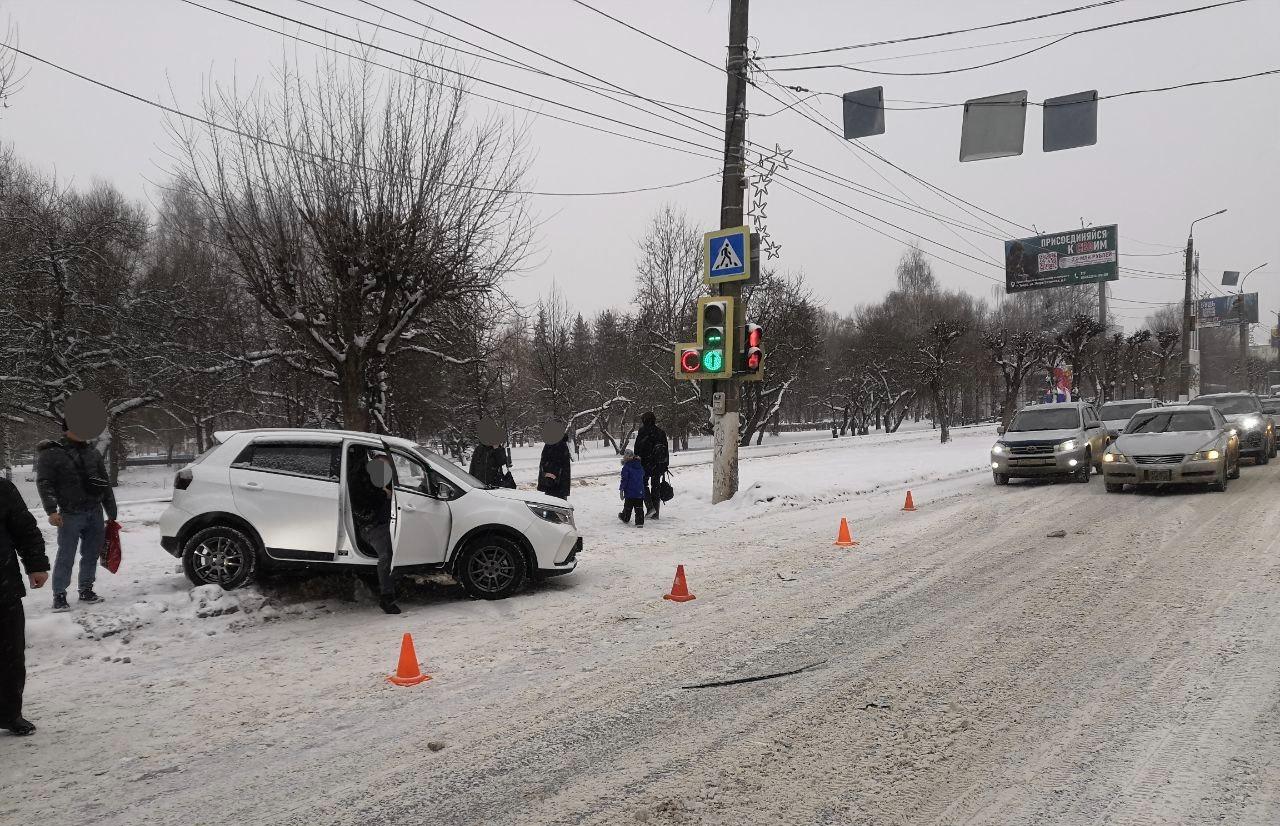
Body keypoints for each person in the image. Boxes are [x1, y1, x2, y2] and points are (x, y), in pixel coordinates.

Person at [35, 419, 117, 612]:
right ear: (67, 430)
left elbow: (103, 483)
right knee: (66, 555)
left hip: (94, 511)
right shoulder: (51, 454)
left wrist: (111, 512)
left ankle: (86, 589)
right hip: (70, 514)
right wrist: (51, 511)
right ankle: (59, 595)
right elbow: (44, 483)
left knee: (91, 553)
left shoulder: (92, 453)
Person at [1, 476, 50, 736]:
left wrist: (36, 564)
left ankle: (9, 714)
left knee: (10, 655)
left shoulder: (2, 488)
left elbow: (25, 528)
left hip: (3, 587)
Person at [349, 452, 399, 615]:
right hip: (373, 527)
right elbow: (364, 513)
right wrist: (382, 496)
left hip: (392, 524)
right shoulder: (364, 487)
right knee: (387, 553)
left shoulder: (392, 484)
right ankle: (387, 597)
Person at [633, 411, 670, 520]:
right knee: (656, 487)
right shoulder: (661, 432)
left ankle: (650, 507)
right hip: (658, 465)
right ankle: (656, 513)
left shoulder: (642, 432)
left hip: (644, 464)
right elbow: (666, 450)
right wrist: (665, 465)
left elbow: (637, 449)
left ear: (644, 420)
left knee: (643, 485)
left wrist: (636, 463)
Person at [537, 430, 572, 500]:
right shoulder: (559, 443)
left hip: (554, 482)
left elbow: (546, 462)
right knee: (558, 504)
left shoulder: (555, 443)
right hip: (557, 481)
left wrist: (551, 477)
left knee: (553, 503)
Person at [617, 449, 646, 528]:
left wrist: (621, 489)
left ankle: (625, 518)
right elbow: (643, 474)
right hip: (639, 491)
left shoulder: (626, 467)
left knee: (628, 507)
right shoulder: (639, 465)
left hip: (630, 492)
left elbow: (624, 480)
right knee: (639, 507)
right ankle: (639, 522)